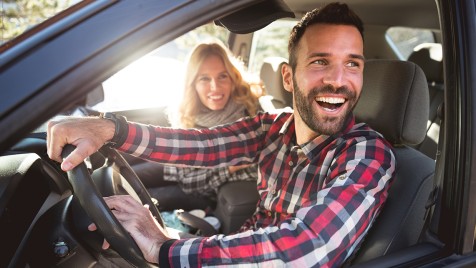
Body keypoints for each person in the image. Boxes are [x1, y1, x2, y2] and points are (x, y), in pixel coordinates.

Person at [47, 2, 396, 267]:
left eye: (353, 63)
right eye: (320, 61)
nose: (338, 79)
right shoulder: (274, 127)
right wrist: (110, 128)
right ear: (289, 78)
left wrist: (164, 247)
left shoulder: (368, 154)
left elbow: (310, 247)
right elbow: (200, 144)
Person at [130, 41, 261, 211]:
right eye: (204, 78)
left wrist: (230, 168)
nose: (215, 87)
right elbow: (183, 169)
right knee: (129, 176)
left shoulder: (250, 117)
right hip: (180, 170)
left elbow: (191, 183)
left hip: (205, 192)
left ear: (233, 78)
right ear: (193, 83)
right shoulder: (191, 112)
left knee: (141, 200)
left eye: (222, 76)